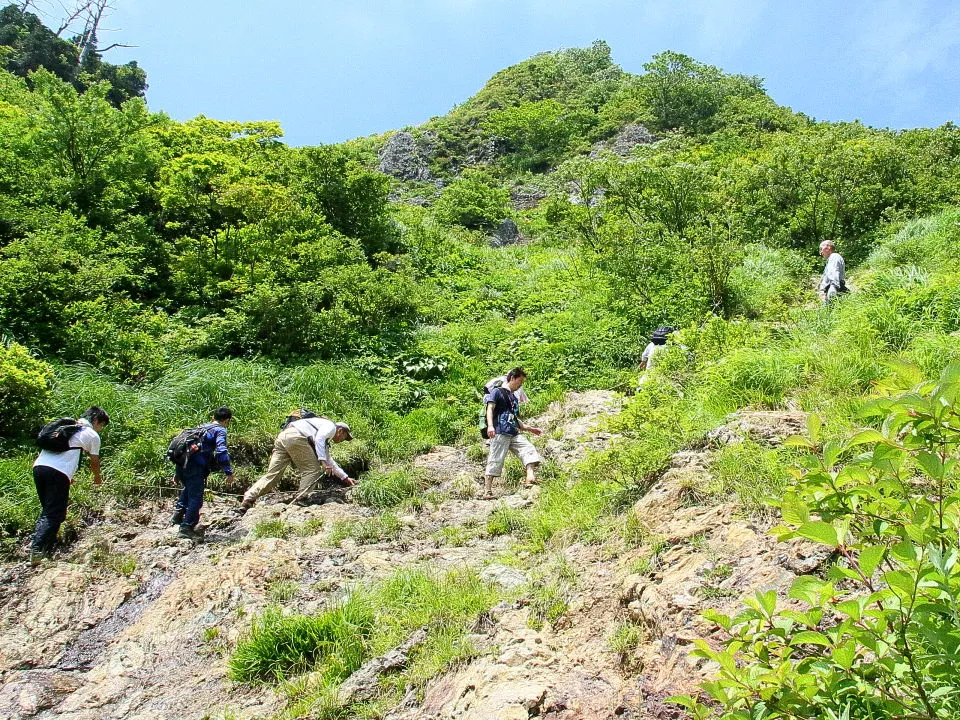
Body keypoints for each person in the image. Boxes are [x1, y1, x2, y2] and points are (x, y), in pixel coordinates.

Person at [31, 406, 110, 564]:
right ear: (95, 420)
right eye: (101, 425)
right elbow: (94, 462)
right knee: (54, 513)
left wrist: (67, 475)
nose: (100, 429)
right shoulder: (91, 434)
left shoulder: (67, 428)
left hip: (39, 468)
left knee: (50, 511)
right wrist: (97, 478)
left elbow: (62, 453)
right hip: (57, 473)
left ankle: (44, 551)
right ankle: (37, 551)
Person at [236, 416, 355, 514]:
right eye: (345, 437)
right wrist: (322, 462)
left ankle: (249, 498)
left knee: (273, 475)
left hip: (283, 436)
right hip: (296, 437)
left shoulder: (319, 429)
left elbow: (330, 460)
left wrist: (344, 477)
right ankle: (301, 499)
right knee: (312, 470)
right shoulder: (331, 427)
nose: (343, 439)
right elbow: (319, 441)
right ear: (341, 431)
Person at [171, 407, 235, 540]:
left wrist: (177, 473)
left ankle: (178, 515)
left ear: (213, 417)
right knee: (196, 497)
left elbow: (186, 448)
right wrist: (228, 472)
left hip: (182, 464)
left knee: (188, 489)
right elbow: (221, 451)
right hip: (195, 467)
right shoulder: (220, 430)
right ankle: (186, 528)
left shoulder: (201, 427)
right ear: (227, 420)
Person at [483, 368, 542, 499]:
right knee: (495, 459)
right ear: (512, 378)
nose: (521, 384)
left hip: (513, 432)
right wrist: (491, 426)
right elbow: (490, 408)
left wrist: (529, 428)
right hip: (499, 432)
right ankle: (487, 491)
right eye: (520, 381)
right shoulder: (497, 392)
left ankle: (530, 478)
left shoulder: (513, 398)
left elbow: (514, 418)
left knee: (528, 449)